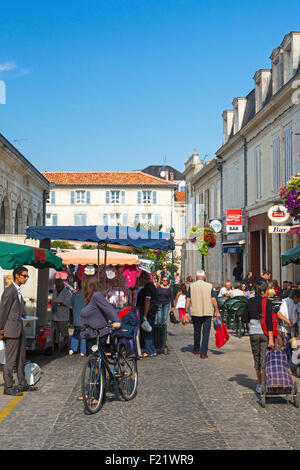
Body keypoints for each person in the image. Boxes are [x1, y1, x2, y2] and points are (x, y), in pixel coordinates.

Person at [77, 276, 121, 401]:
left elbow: (109, 309)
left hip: (99, 333)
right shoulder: (91, 299)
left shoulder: (97, 296)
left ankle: (96, 395)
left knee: (96, 364)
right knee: (93, 364)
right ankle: (92, 392)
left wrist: (117, 321)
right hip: (90, 333)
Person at [0, 266, 37, 396]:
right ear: (17, 276)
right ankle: (8, 386)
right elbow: (2, 311)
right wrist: (1, 329)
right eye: (24, 276)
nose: (26, 278)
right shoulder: (9, 291)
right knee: (10, 360)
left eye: (27, 276)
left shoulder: (17, 290)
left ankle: (22, 383)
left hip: (19, 328)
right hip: (11, 330)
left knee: (21, 358)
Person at [241, 280, 274, 394]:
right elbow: (269, 322)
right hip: (265, 334)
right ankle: (265, 383)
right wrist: (271, 339)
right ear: (264, 291)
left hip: (254, 333)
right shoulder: (268, 303)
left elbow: (244, 318)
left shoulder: (249, 302)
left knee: (256, 358)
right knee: (264, 358)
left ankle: (259, 384)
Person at [185, 270, 221, 358]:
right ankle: (203, 352)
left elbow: (188, 300)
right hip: (207, 312)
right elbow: (213, 299)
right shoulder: (209, 286)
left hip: (195, 312)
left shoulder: (191, 286)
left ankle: (196, 349)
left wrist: (186, 311)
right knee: (206, 333)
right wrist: (217, 311)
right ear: (204, 276)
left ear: (196, 277)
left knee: (197, 331)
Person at [137, 270, 159, 358]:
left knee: (147, 330)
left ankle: (149, 350)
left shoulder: (148, 287)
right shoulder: (151, 286)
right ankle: (152, 350)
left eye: (139, 279)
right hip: (152, 311)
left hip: (148, 312)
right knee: (149, 330)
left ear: (143, 278)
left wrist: (145, 315)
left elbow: (147, 301)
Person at [51, 279, 72, 351]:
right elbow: (53, 300)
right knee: (55, 331)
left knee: (64, 332)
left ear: (62, 285)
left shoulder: (67, 293)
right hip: (55, 314)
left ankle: (65, 345)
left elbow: (68, 303)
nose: (57, 287)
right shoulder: (55, 291)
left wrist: (58, 303)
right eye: (56, 286)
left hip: (63, 315)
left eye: (58, 286)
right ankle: (56, 344)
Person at [69, 280, 87, 356]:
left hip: (76, 316)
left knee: (76, 333)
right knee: (83, 334)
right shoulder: (87, 296)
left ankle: (72, 349)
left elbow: (71, 305)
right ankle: (83, 351)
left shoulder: (75, 294)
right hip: (84, 317)